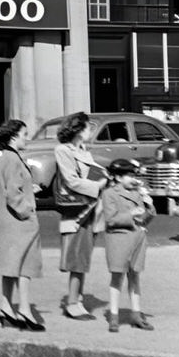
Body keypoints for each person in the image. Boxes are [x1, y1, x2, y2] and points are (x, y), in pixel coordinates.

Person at [0, 118, 44, 331]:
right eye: (24, 134)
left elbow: (11, 187)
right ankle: (24, 310)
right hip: (19, 223)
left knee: (10, 266)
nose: (27, 138)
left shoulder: (6, 158)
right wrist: (28, 211)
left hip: (6, 222)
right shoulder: (13, 159)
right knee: (25, 266)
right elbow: (13, 194)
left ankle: (6, 307)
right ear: (14, 137)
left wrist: (29, 188)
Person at [54, 111, 105, 320]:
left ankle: (78, 300)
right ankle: (73, 303)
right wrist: (98, 184)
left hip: (91, 208)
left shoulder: (84, 150)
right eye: (87, 127)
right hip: (76, 210)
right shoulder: (62, 150)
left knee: (83, 256)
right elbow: (71, 181)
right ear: (77, 129)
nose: (89, 131)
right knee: (76, 257)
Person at [98, 157, 155, 333]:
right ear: (118, 177)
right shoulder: (109, 194)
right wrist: (132, 214)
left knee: (135, 277)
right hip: (119, 239)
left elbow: (147, 217)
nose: (134, 179)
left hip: (137, 239)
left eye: (134, 175)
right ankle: (113, 316)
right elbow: (111, 219)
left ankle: (136, 314)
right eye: (129, 175)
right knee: (117, 278)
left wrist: (149, 205)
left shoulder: (137, 193)